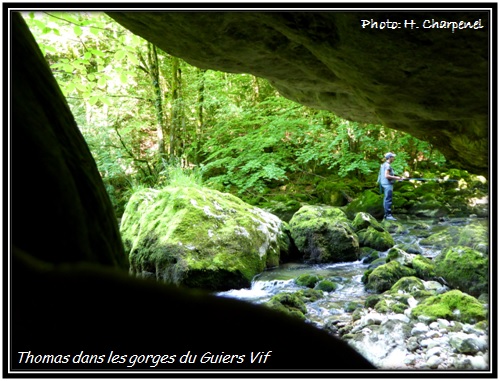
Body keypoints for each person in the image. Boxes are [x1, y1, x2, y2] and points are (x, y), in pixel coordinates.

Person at [377, 152, 405, 221]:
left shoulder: (384, 165)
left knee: (386, 199)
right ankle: (388, 215)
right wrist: (397, 178)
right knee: (388, 199)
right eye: (392, 157)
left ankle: (386, 215)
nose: (393, 158)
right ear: (389, 158)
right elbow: (386, 175)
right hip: (387, 184)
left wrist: (398, 178)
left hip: (384, 184)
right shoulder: (387, 165)